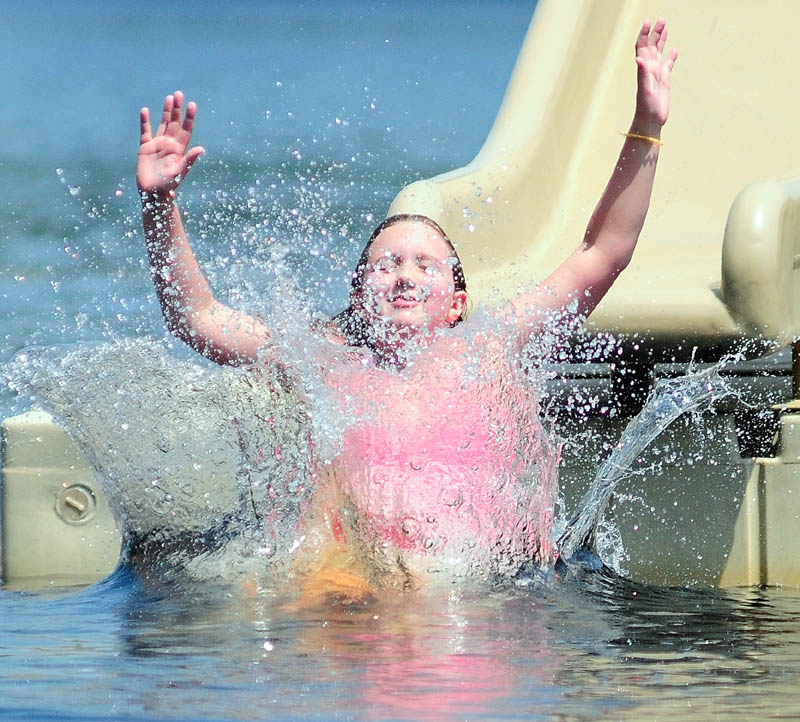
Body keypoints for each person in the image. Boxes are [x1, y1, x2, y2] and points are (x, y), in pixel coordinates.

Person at [136, 20, 677, 590]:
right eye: (387, 263)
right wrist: (159, 206)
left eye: (426, 265)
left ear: (456, 302)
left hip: (474, 586)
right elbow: (197, 318)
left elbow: (603, 252)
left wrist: (647, 126)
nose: (404, 276)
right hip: (348, 587)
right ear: (358, 293)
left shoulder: (488, 349)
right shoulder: (317, 357)